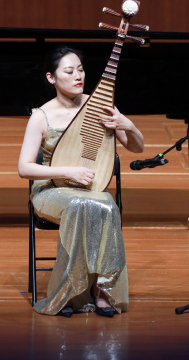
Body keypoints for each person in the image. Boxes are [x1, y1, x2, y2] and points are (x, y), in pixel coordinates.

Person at [18, 45, 144, 317]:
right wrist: (67, 172)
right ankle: (67, 292)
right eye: (69, 71)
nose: (78, 76)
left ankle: (103, 289)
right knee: (79, 205)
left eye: (81, 69)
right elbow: (24, 168)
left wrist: (127, 125)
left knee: (106, 205)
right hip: (51, 191)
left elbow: (137, 148)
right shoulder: (41, 116)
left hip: (90, 191)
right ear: (51, 78)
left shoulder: (101, 107)